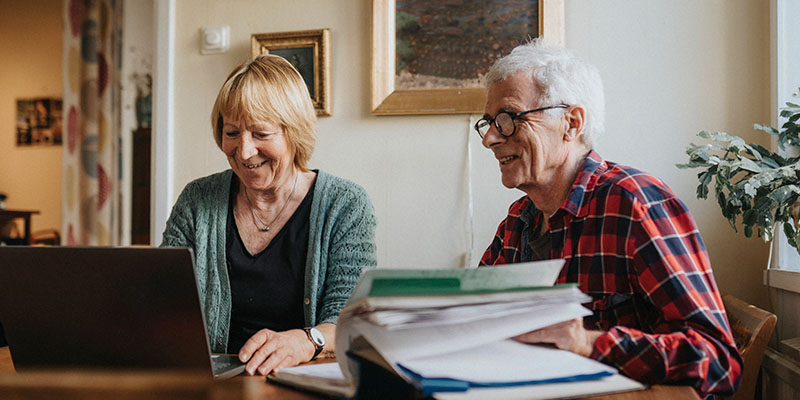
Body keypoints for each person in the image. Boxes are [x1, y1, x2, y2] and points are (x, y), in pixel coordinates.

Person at [476, 39, 742, 398]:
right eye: (489, 123)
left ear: (570, 123)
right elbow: (474, 318)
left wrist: (587, 342)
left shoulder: (636, 204)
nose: (490, 138)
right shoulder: (519, 221)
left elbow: (717, 361)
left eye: (507, 119)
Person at [161, 55, 377, 376]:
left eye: (261, 134)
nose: (244, 151)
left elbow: (351, 319)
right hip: (212, 384)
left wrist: (304, 341)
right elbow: (163, 299)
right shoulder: (197, 199)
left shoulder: (345, 204)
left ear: (294, 133)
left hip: (301, 381)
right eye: (232, 132)